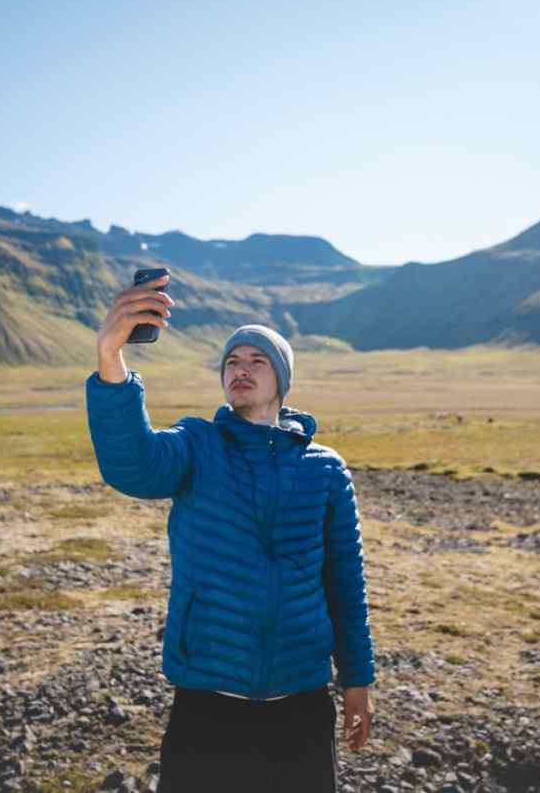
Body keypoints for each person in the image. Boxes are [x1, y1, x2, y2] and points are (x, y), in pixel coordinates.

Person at [86, 271, 376, 793]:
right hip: (206, 702)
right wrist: (111, 357)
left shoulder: (326, 469)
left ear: (282, 380)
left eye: (257, 360)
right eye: (231, 362)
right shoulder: (198, 445)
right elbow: (133, 467)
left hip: (301, 704)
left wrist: (358, 680)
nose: (241, 369)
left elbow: (345, 587)